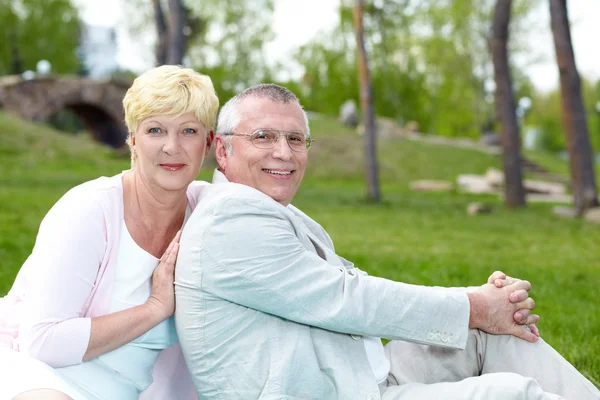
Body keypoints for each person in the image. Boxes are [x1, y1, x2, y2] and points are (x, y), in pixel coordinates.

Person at [175, 84, 600, 400]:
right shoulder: (230, 219)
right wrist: (473, 304)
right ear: (222, 150)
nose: (284, 153)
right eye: (264, 137)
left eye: (296, 139)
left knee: (484, 335)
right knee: (512, 394)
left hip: (361, 375)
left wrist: (482, 307)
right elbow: (347, 299)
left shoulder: (269, 208)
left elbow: (351, 283)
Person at [0, 65, 219, 399]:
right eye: (155, 130)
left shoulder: (210, 213)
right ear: (132, 139)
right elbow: (42, 341)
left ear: (208, 143)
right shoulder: (90, 209)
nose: (172, 147)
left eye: (188, 131)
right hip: (36, 374)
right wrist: (155, 308)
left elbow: (271, 210)